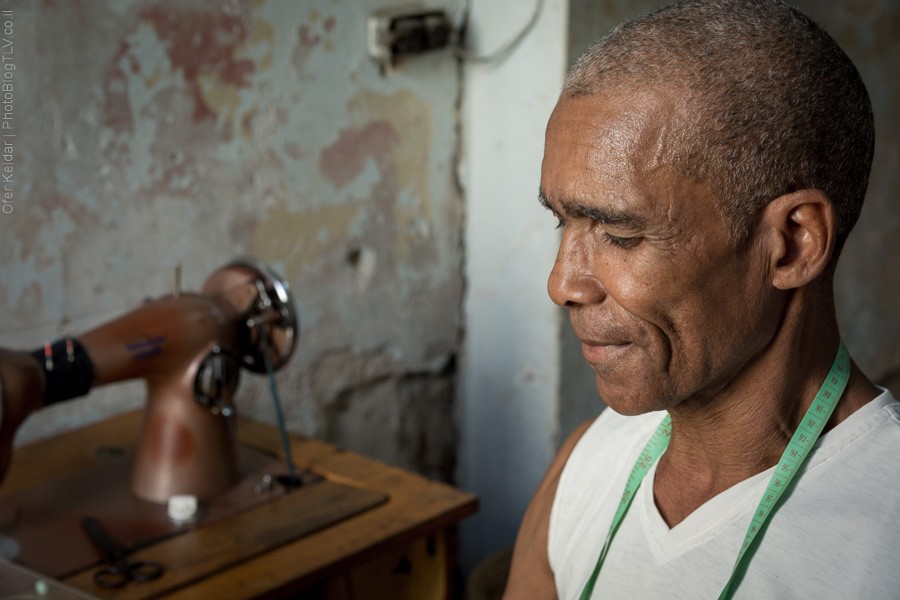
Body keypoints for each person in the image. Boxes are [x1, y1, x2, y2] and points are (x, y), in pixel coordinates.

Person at [504, 1, 899, 598]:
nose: (563, 284)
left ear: (792, 244)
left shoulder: (883, 539)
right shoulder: (587, 467)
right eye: (563, 221)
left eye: (620, 235)